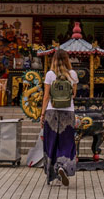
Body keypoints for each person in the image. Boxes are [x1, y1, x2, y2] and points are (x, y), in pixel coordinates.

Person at [39, 49, 78, 186]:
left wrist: (42, 114)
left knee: (51, 143)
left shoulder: (50, 74)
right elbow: (73, 94)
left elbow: (46, 96)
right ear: (67, 59)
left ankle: (52, 174)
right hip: (68, 112)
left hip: (51, 112)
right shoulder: (72, 74)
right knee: (67, 142)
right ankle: (63, 167)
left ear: (53, 60)